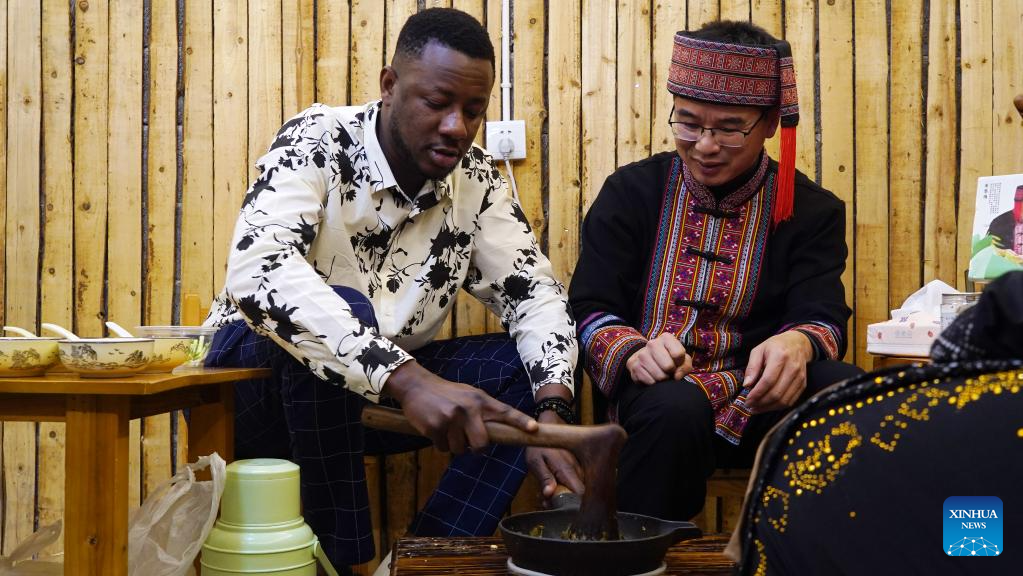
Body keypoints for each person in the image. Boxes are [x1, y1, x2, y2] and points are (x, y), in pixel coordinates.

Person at [203, 8, 581, 571]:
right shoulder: (319, 139)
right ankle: (343, 562)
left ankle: (418, 562)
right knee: (343, 309)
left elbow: (534, 295)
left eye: (473, 111)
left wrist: (553, 410)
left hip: (373, 395)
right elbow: (261, 271)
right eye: (438, 103)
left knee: (518, 368)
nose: (457, 126)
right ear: (389, 85)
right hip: (252, 382)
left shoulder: (476, 180)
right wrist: (408, 380)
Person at [569, 20, 863, 522]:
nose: (703, 144)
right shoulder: (630, 193)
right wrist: (634, 352)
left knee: (847, 392)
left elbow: (822, 313)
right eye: (687, 123)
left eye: (728, 127)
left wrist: (797, 343)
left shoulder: (813, 210)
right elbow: (590, 306)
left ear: (770, 123)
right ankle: (645, 560)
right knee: (675, 410)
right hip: (658, 401)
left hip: (758, 399)